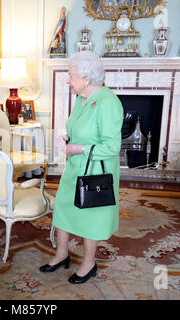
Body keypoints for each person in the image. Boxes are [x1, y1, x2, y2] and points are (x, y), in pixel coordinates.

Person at [39, 51, 123, 284]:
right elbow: (78, 128)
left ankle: (89, 262)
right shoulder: (81, 98)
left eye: (71, 75)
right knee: (63, 209)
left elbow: (111, 147)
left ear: (86, 78)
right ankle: (62, 254)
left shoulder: (108, 103)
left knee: (90, 217)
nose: (68, 80)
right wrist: (68, 138)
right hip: (75, 167)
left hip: (97, 171)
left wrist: (79, 148)